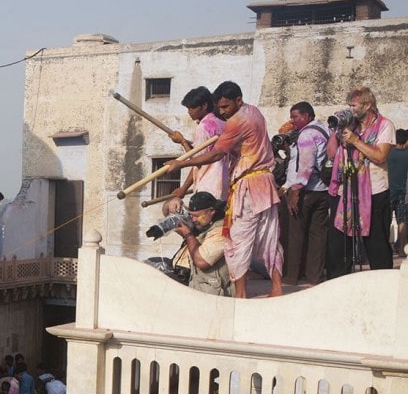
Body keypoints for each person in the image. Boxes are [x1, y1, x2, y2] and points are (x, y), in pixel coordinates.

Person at [165, 81, 283, 298]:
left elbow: (216, 154)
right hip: (265, 183)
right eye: (219, 108)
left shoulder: (236, 121)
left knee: (237, 240)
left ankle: (240, 295)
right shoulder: (254, 112)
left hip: (248, 185)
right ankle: (276, 290)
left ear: (238, 100)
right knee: (269, 239)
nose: (222, 112)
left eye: (226, 107)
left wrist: (181, 163)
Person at [328, 86, 395, 278]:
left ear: (368, 104)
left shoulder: (384, 125)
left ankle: (382, 285)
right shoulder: (351, 125)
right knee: (339, 247)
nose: (351, 109)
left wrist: (356, 141)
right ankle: (338, 284)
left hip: (375, 192)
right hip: (346, 192)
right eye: (349, 105)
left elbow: (380, 156)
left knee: (377, 245)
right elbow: (331, 154)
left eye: (354, 105)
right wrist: (336, 131)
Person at [281, 102, 331, 285]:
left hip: (305, 192)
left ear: (307, 115)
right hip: (323, 189)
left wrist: (295, 192)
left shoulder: (307, 134)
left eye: (295, 117)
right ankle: (315, 276)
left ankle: (292, 275)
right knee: (318, 235)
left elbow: (306, 166)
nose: (292, 121)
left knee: (295, 234)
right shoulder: (324, 130)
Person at [170, 86, 229, 199]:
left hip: (209, 186)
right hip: (224, 184)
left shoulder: (203, 127)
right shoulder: (222, 123)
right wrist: (183, 188)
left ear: (204, 106)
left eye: (192, 108)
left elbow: (197, 162)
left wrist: (182, 142)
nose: (189, 112)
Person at [172, 191, 235, 296]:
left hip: (213, 293)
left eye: (197, 216)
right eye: (191, 216)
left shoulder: (221, 231)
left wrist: (187, 234)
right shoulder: (204, 223)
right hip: (198, 284)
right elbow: (166, 212)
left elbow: (201, 262)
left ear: (211, 211)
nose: (193, 220)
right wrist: (173, 202)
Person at [390, 128, 408, 254]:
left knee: (385, 220)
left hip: (388, 191)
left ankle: (386, 248)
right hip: (403, 193)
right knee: (402, 220)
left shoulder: (388, 153)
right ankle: (401, 249)